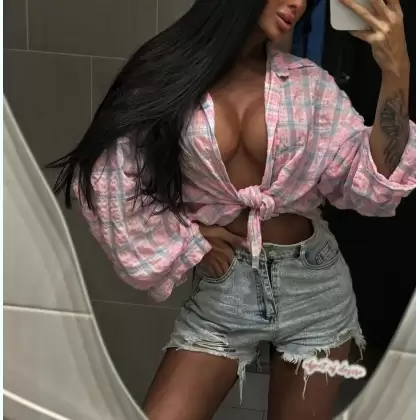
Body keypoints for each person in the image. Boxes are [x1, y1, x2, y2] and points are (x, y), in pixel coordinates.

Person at [48, 0, 415, 419]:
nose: (297, 3)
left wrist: (397, 70)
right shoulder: (169, 75)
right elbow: (109, 176)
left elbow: (372, 184)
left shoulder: (309, 86)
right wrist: (185, 240)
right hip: (226, 292)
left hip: (316, 291)